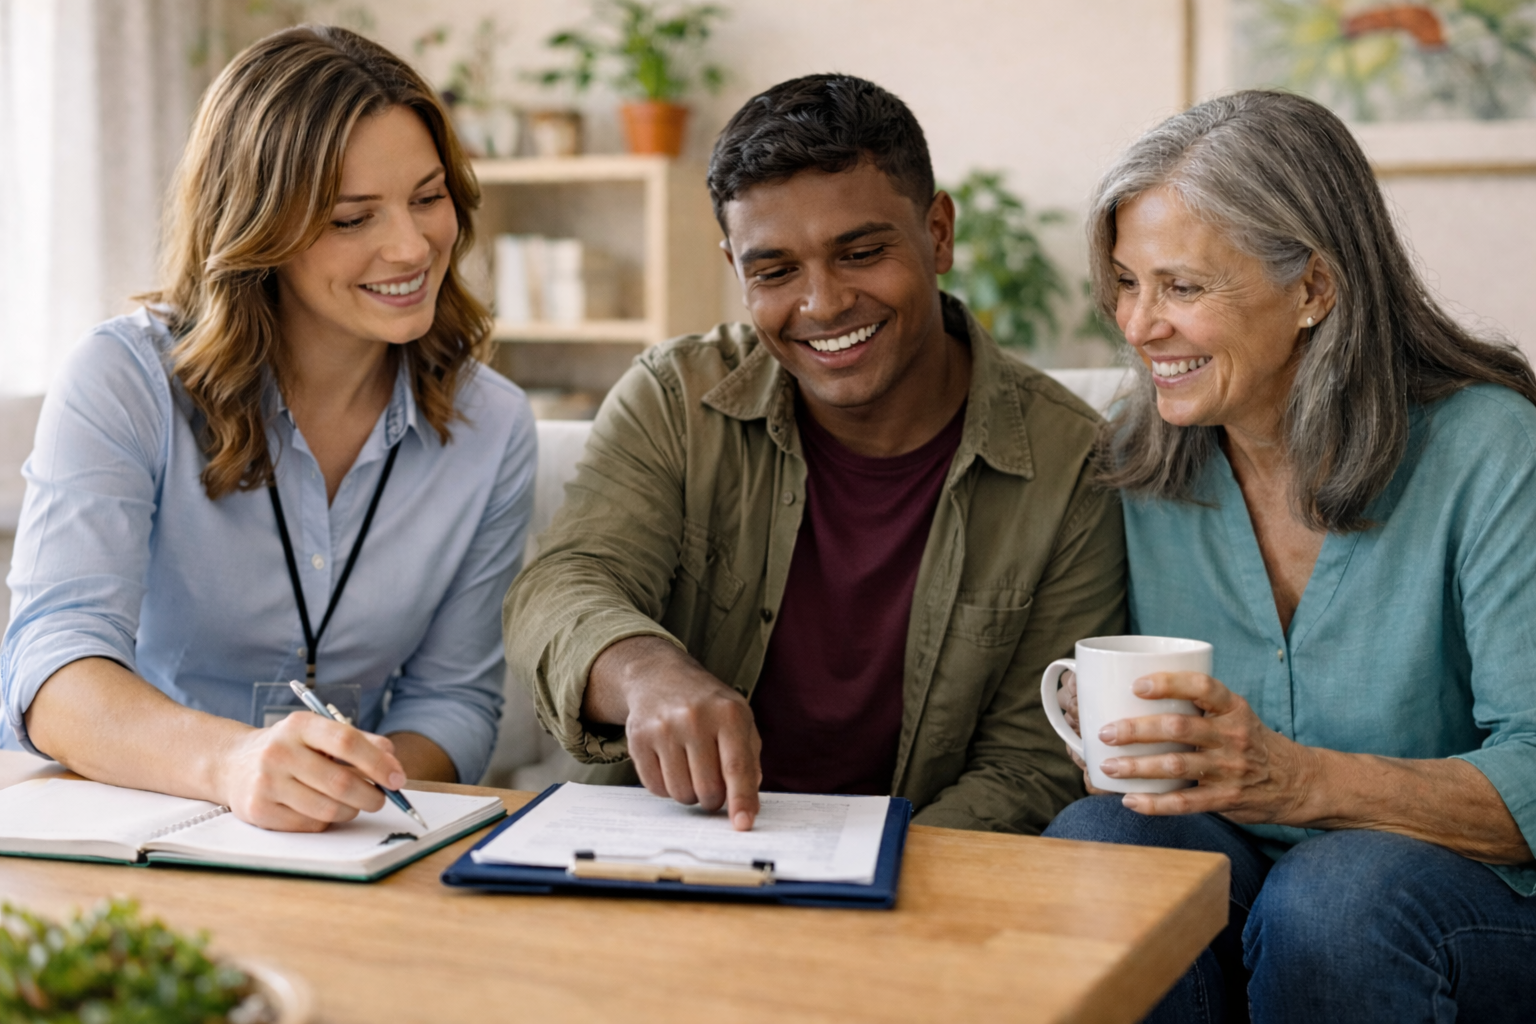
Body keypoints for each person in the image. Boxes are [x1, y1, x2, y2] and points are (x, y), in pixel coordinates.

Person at [505, 74, 1124, 833]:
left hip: (917, 876)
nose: (822, 303)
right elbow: (564, 583)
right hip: (661, 848)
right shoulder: (673, 397)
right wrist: (645, 673)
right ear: (734, 267)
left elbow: (1029, 764)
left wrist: (870, 879)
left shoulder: (1073, 462)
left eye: (860, 252)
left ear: (938, 233)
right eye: (774, 271)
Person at [1042, 90, 1536, 1022]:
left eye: (1182, 288)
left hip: (1455, 905)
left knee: (1336, 901)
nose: (1140, 326)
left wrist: (1297, 779)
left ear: (1314, 288)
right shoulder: (1134, 451)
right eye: (1126, 282)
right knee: (1102, 839)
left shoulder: (1489, 449)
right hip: (1240, 874)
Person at [1, 26, 536, 832]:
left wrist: (347, 792)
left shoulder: (492, 424)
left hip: (334, 847)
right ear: (259, 229)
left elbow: (455, 701)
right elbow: (52, 665)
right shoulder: (124, 380)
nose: (411, 245)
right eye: (353, 218)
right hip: (122, 827)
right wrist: (233, 765)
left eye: (428, 198)